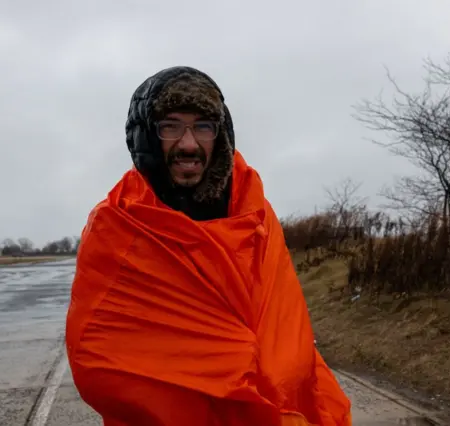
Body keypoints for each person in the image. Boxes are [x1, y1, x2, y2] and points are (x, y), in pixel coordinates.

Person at [65, 66, 352, 426]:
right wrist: (225, 369)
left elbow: (285, 326)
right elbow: (96, 351)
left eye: (203, 126)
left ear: (220, 135)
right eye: (171, 125)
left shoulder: (255, 213)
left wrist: (258, 380)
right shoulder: (117, 225)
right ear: (147, 136)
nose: (188, 144)